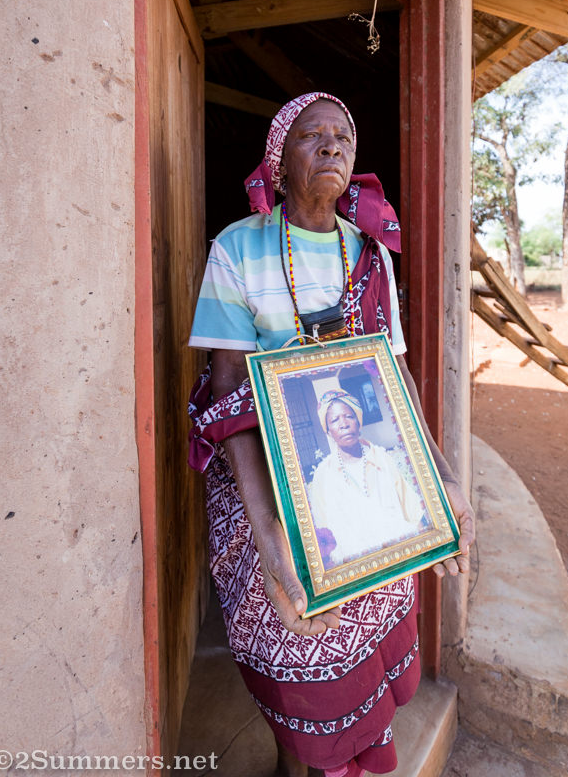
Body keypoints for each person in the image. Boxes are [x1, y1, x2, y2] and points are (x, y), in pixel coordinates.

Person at [187, 92, 474, 777]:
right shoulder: (238, 248)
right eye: (310, 136)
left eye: (342, 136)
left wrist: (441, 482)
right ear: (278, 162)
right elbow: (227, 391)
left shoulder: (371, 255)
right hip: (265, 482)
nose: (331, 146)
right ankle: (302, 762)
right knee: (297, 646)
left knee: (364, 644)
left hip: (359, 489)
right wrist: (271, 537)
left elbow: (394, 380)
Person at [309, 390, 426, 565]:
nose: (344, 424)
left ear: (358, 422)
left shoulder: (382, 459)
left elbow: (413, 513)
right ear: (328, 431)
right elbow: (323, 531)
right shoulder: (323, 475)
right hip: (355, 568)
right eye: (334, 420)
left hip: (401, 558)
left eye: (349, 417)